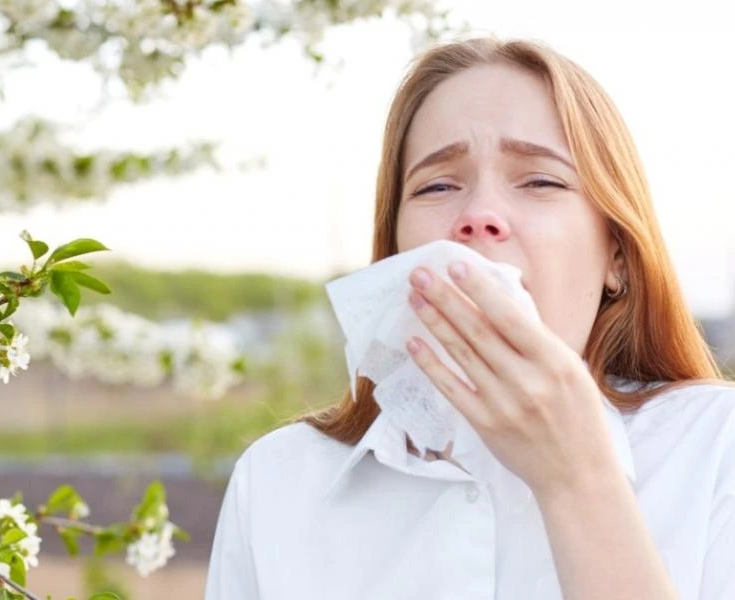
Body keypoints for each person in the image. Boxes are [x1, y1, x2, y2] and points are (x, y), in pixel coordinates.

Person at [203, 36, 735, 599]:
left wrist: (578, 482)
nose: (479, 216)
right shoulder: (276, 481)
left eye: (540, 181)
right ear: (396, 253)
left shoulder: (715, 447)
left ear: (618, 256)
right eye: (437, 185)